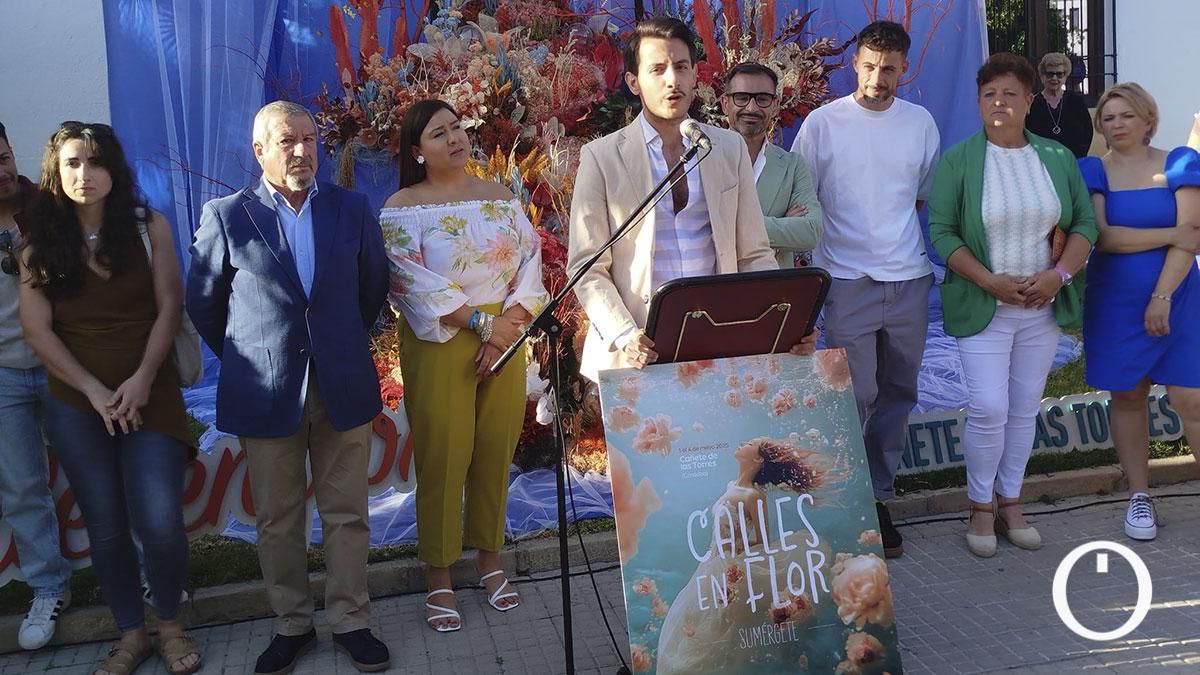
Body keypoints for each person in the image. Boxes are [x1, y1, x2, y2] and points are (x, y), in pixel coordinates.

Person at [186, 101, 390, 673]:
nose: (301, 150)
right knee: (277, 518)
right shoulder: (227, 215)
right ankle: (292, 624)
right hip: (265, 390)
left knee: (347, 512)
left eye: (308, 138)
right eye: (285, 141)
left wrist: (337, 342)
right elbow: (204, 303)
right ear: (260, 151)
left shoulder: (351, 208)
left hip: (340, 384)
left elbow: (371, 287)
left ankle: (351, 620)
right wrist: (254, 355)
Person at [17, 121, 199, 674]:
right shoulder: (37, 247)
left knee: (161, 520)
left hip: (151, 393)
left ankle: (169, 627)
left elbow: (170, 306)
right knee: (106, 524)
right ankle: (130, 634)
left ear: (113, 171)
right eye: (72, 163)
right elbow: (37, 332)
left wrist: (143, 378)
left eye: (94, 163)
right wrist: (94, 391)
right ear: (56, 171)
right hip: (77, 405)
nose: (83, 175)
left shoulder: (150, 227)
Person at [568, 17, 814, 383]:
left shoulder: (727, 147)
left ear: (695, 75)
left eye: (681, 67)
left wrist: (784, 320)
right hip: (638, 347)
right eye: (658, 69)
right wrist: (623, 334)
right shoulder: (602, 157)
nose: (673, 80)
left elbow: (753, 253)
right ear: (633, 82)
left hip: (720, 340)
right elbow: (587, 267)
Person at [380, 99, 547, 632]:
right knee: (444, 455)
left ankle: (490, 560)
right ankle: (439, 575)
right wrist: (481, 325)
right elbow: (408, 281)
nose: (454, 138)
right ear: (416, 151)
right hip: (444, 337)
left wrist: (508, 327)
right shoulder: (404, 206)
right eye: (438, 133)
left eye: (457, 128)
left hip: (505, 336)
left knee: (495, 450)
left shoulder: (500, 197)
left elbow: (530, 263)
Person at [928, 53, 1097, 557]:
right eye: (988, 94)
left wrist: (1057, 274)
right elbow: (941, 231)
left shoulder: (1057, 158)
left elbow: (1085, 225)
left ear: (1030, 100)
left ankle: (1012, 502)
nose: (998, 102)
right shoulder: (959, 159)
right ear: (979, 103)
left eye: (1009, 93)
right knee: (987, 407)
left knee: (1023, 410)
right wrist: (990, 281)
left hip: (1043, 307)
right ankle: (980, 507)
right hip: (985, 305)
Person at [789, 20, 939, 558]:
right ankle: (845, 498)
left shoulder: (920, 124)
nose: (879, 78)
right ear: (855, 63)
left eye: (890, 68)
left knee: (899, 390)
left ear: (904, 68)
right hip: (846, 279)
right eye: (870, 66)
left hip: (908, 279)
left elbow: (919, 199)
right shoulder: (822, 124)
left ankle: (877, 496)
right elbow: (803, 199)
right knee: (856, 393)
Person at [1078, 83, 1200, 541]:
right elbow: (1105, 238)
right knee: (1127, 397)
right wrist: (1172, 232)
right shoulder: (1091, 169)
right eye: (1108, 118)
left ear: (1148, 119)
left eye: (1126, 115)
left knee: (1192, 399)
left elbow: (1194, 235)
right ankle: (1139, 497)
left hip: (1180, 300)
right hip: (1113, 303)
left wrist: (1162, 296)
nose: (1116, 125)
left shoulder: (1181, 163)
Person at [0, 121, 74, 650]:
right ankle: (48, 588)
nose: (2, 170)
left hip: (60, 364)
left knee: (100, 471)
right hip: (4, 374)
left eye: (3, 156)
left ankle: (144, 575)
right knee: (24, 487)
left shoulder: (47, 208)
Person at [718, 62, 822, 268]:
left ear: (775, 105)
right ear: (725, 103)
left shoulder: (792, 166)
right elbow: (702, 227)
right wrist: (781, 227)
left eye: (762, 99)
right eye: (741, 97)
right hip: (715, 287)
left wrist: (736, 227)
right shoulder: (701, 157)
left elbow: (810, 232)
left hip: (772, 291)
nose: (751, 107)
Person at [1025, 53, 1093, 158]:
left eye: (1059, 74)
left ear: (1065, 76)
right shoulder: (1033, 104)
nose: (1054, 78)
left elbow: (1087, 132)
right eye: (1050, 74)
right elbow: (1027, 135)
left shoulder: (1076, 101)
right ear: (1042, 76)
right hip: (1043, 162)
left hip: (1072, 161)